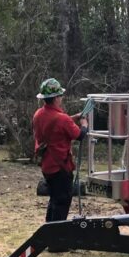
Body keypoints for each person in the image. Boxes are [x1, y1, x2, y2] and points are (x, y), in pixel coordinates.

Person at [33, 77, 88, 222]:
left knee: (54, 200)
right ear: (56, 98)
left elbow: (55, 123)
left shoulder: (38, 114)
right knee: (62, 203)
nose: (61, 98)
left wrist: (73, 118)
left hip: (47, 166)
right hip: (60, 168)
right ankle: (56, 240)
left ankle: (48, 233)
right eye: (60, 96)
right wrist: (84, 124)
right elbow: (80, 135)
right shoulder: (62, 119)